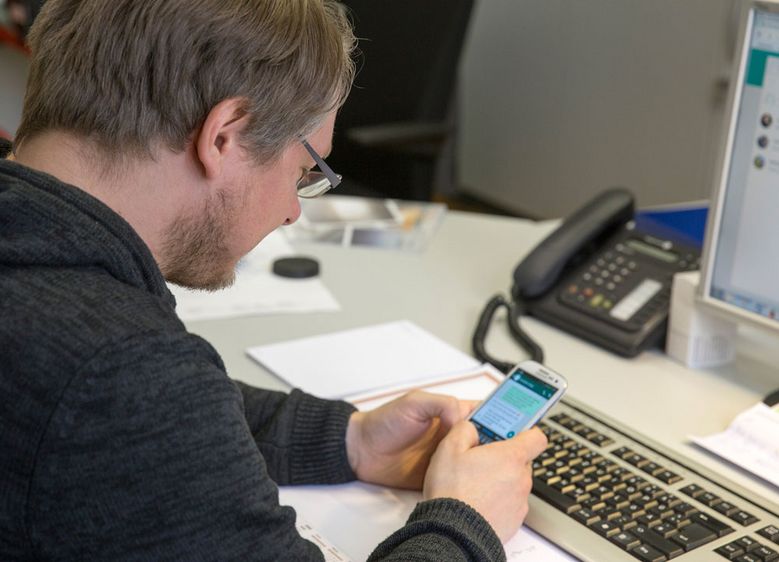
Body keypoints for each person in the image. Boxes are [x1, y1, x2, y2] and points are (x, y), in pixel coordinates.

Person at [0, 1, 547, 560]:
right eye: (305, 169)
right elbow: (130, 398)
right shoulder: (122, 370)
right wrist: (465, 520)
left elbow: (125, 431)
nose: (293, 210)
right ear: (224, 138)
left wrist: (346, 440)